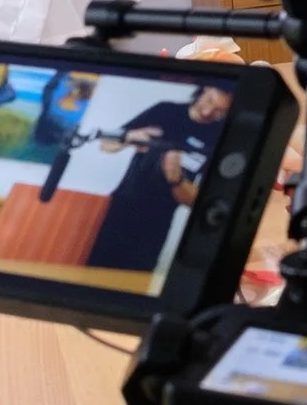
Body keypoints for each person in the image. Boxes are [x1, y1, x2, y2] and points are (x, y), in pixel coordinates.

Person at [84, 86, 234, 273]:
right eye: (210, 100)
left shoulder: (219, 137)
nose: (208, 112)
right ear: (204, 89)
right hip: (123, 205)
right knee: (96, 269)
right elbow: (106, 145)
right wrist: (129, 137)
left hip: (159, 219)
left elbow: (196, 201)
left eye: (220, 110)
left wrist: (176, 178)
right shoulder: (165, 111)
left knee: (135, 280)